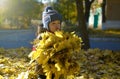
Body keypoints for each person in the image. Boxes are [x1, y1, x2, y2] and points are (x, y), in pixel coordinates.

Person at [32, 6, 62, 79]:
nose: (57, 25)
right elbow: (35, 52)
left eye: (58, 23)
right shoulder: (41, 37)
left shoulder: (61, 36)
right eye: (53, 23)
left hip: (57, 68)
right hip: (43, 70)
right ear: (47, 25)